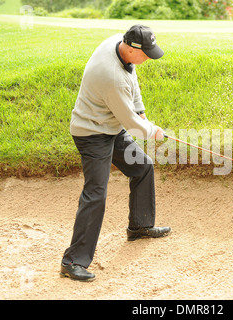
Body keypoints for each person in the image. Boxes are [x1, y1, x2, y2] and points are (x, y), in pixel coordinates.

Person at [60, 25, 171, 282]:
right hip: (91, 134)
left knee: (142, 166)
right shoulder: (111, 77)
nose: (149, 59)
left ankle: (139, 226)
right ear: (131, 48)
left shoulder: (118, 45)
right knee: (95, 193)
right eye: (146, 54)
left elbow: (132, 79)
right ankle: (72, 261)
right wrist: (152, 130)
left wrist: (141, 109)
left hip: (110, 127)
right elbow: (132, 124)